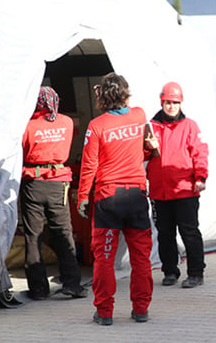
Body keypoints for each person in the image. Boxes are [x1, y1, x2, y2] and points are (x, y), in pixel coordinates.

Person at [77, 73, 153, 326]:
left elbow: (89, 165)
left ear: (101, 96)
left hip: (108, 198)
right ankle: (141, 309)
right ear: (125, 93)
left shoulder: (97, 125)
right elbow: (143, 147)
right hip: (136, 195)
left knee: (104, 259)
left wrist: (82, 198)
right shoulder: (139, 115)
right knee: (140, 258)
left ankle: (105, 312)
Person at [20, 86, 87, 301]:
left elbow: (21, 149)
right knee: (63, 234)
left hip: (33, 182)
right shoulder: (66, 122)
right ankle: (72, 284)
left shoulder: (27, 126)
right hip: (58, 183)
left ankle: (38, 290)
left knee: (33, 236)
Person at [145, 81, 208, 289]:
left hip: (184, 190)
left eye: (175, 102)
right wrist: (147, 147)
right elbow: (141, 155)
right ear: (161, 102)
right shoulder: (151, 127)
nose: (171, 106)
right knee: (165, 233)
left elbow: (200, 153)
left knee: (189, 232)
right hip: (160, 192)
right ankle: (170, 270)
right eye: (167, 102)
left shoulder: (189, 126)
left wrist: (200, 178)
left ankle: (196, 273)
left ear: (180, 103)